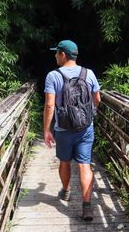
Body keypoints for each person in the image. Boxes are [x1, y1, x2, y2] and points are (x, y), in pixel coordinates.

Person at [43, 40, 101, 221]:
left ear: (63, 55)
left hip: (63, 128)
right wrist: (88, 114)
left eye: (56, 53)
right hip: (86, 127)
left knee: (65, 161)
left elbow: (49, 105)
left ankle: (66, 191)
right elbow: (97, 99)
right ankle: (87, 206)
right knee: (84, 164)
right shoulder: (88, 73)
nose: (55, 56)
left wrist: (47, 130)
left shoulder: (53, 76)